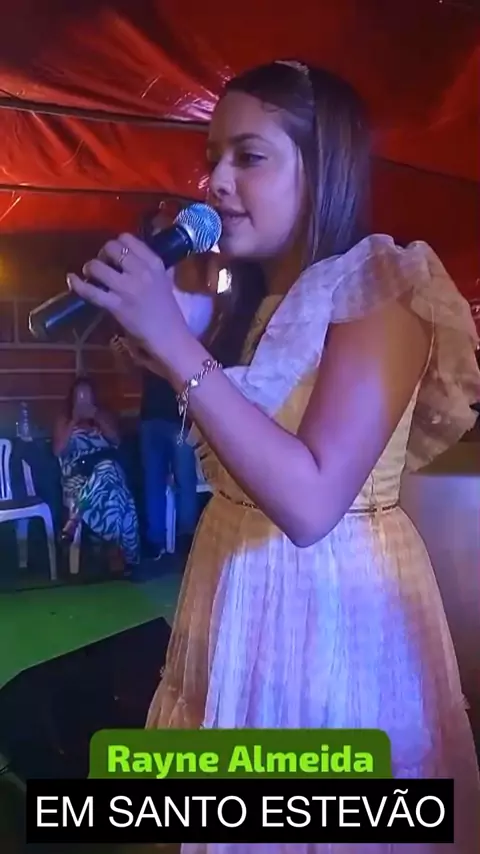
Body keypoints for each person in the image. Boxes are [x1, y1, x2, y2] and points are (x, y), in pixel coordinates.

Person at [68, 59, 480, 851]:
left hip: (330, 604)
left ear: (323, 169)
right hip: (235, 583)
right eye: (213, 157)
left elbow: (311, 504)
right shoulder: (256, 302)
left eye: (249, 157)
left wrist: (177, 348)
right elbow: (234, 451)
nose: (216, 182)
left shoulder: (383, 287)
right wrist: (173, 336)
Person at [111, 208, 217, 560]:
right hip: (151, 414)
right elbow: (134, 371)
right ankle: (156, 546)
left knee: (185, 482)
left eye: (167, 232)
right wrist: (124, 356)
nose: (162, 240)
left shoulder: (194, 298)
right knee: (153, 483)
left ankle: (185, 547)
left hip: (180, 417)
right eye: (156, 233)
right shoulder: (146, 299)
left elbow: (182, 370)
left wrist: (143, 359)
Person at [53, 375, 139, 571]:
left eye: (87, 398)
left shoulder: (103, 417)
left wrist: (97, 417)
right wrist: (73, 421)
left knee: (109, 473)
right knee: (116, 489)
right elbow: (57, 451)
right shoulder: (64, 420)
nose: (84, 403)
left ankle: (74, 521)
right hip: (77, 476)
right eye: (80, 398)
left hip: (109, 474)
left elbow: (116, 441)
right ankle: (119, 551)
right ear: (72, 400)